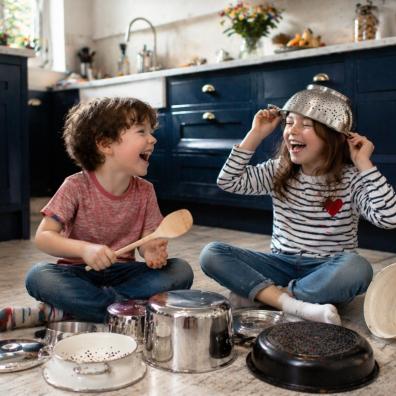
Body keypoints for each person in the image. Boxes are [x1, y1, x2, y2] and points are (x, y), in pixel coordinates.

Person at [200, 84, 396, 325]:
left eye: (306, 125)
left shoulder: (353, 178)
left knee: (358, 268)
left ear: (331, 136)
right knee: (212, 253)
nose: (292, 130)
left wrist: (364, 163)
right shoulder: (278, 170)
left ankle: (271, 296)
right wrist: (256, 134)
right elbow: (228, 181)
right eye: (289, 122)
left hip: (327, 269)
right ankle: (296, 305)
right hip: (279, 263)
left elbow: (390, 217)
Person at [0, 97, 193, 332]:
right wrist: (85, 250)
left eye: (150, 132)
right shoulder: (75, 186)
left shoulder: (146, 191)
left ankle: (69, 312)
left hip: (125, 273)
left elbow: (148, 238)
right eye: (141, 131)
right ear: (105, 144)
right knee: (38, 275)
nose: (152, 139)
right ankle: (126, 312)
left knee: (180, 270)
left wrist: (150, 250)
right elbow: (44, 237)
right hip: (79, 272)